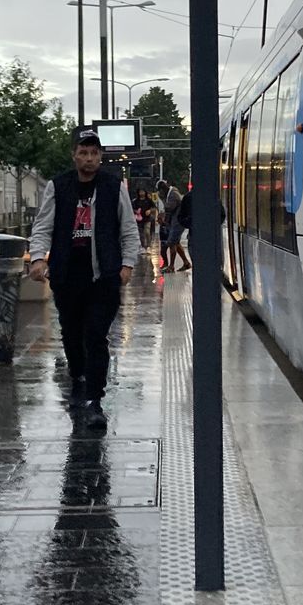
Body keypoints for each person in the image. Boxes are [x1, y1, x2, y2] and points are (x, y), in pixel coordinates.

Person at [28, 129, 140, 429]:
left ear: (100, 156)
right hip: (67, 273)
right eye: (83, 153)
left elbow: (129, 229)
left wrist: (127, 263)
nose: (89, 159)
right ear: (74, 155)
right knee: (71, 333)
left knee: (95, 335)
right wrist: (38, 257)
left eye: (94, 154)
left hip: (104, 275)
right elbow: (43, 225)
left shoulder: (113, 186)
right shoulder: (59, 186)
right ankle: (77, 376)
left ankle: (94, 399)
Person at [166, 182, 193, 272]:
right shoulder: (175, 193)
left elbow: (170, 207)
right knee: (176, 242)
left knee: (172, 242)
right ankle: (186, 262)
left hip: (177, 222)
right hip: (177, 221)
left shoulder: (173, 194)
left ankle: (171, 266)